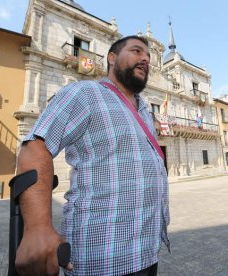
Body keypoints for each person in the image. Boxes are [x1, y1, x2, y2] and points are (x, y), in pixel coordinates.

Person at [15, 36, 169, 275]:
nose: (145, 59)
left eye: (148, 57)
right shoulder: (84, 92)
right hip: (102, 256)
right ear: (111, 57)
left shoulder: (145, 110)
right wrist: (37, 228)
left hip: (147, 252)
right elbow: (35, 146)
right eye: (136, 51)